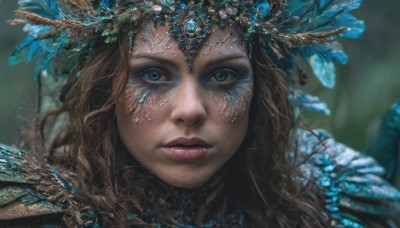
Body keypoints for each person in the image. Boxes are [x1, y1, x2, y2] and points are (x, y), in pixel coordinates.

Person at [1, 0, 399, 227]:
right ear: (104, 88)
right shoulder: (42, 213)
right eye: (153, 75)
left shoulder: (328, 194)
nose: (190, 110)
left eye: (223, 76)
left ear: (263, 90)